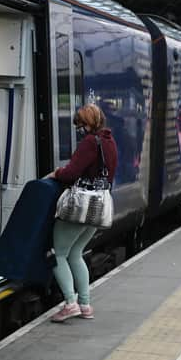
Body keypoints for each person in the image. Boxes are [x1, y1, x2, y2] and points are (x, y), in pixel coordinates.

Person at [46, 103, 118, 322]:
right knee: (76, 253)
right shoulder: (109, 141)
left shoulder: (89, 142)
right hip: (98, 206)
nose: (79, 129)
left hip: (80, 207)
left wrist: (56, 173)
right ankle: (85, 305)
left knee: (56, 254)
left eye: (81, 124)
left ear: (89, 123)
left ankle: (70, 303)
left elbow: (71, 173)